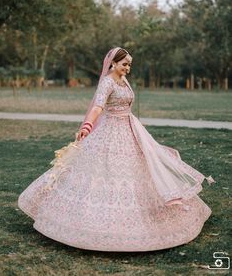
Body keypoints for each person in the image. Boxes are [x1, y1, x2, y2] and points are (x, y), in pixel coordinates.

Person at [18, 47, 215, 252]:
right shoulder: (108, 82)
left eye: (129, 64)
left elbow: (128, 105)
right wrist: (87, 126)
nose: (128, 68)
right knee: (103, 172)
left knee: (141, 169)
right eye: (124, 64)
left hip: (129, 129)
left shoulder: (124, 80)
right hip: (110, 131)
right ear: (113, 63)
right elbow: (97, 107)